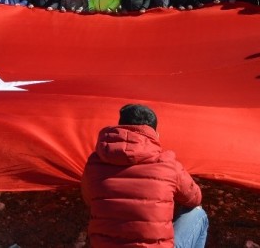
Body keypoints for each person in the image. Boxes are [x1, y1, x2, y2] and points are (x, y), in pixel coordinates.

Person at [81, 104, 208, 247]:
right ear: (155, 134)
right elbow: (195, 198)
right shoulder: (168, 164)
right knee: (198, 213)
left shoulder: (94, 162)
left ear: (120, 127)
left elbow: (89, 199)